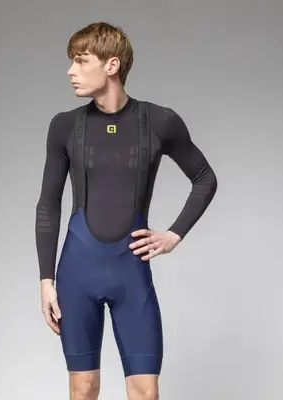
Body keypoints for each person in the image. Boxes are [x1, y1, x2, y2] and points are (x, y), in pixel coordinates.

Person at [35, 21, 218, 400]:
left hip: (130, 275)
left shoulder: (159, 121)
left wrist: (174, 235)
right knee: (83, 389)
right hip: (77, 274)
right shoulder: (65, 126)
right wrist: (46, 281)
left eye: (80, 61)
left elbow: (204, 178)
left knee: (145, 392)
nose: (70, 71)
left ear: (111, 65)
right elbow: (48, 204)